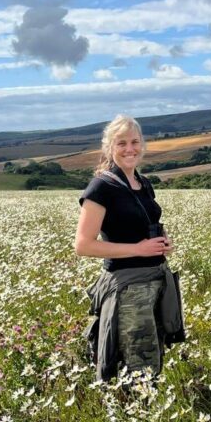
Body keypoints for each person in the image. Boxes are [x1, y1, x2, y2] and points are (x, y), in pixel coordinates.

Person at [75, 114, 184, 382]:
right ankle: (134, 418)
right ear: (109, 147)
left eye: (135, 142)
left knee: (153, 358)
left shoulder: (142, 182)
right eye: (121, 143)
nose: (130, 149)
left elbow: (145, 222)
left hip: (156, 282)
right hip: (127, 290)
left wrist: (162, 242)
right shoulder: (101, 186)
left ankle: (146, 417)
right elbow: (83, 245)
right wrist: (139, 249)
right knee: (137, 366)